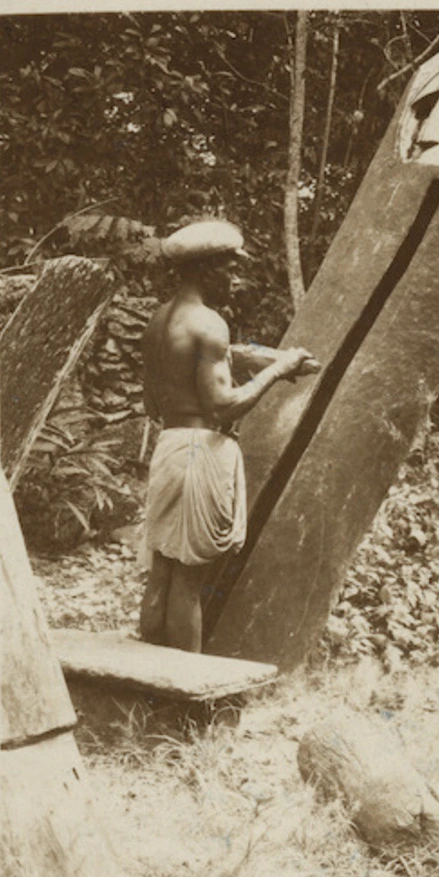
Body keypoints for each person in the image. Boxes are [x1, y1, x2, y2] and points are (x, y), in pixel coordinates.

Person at [139, 218, 314, 652]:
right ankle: (183, 702)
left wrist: (249, 361)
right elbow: (224, 405)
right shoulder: (210, 323)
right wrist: (278, 369)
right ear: (205, 270)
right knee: (188, 581)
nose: (235, 280)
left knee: (162, 573)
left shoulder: (158, 322)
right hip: (201, 452)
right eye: (229, 270)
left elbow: (153, 405)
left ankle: (142, 694)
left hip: (170, 447)